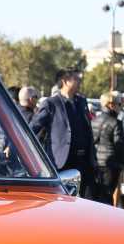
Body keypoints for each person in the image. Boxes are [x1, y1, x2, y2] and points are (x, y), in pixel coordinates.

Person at [30, 68, 98, 199]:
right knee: (61, 200)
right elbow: (33, 127)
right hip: (61, 162)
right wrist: (14, 144)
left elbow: (88, 130)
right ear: (65, 81)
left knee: (85, 201)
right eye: (76, 79)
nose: (80, 82)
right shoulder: (51, 103)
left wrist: (92, 157)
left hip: (83, 161)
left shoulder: (82, 102)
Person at [93, 92, 124, 206]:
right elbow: (120, 146)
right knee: (108, 197)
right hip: (111, 164)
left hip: (96, 163)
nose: (121, 107)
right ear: (111, 105)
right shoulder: (116, 122)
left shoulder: (94, 120)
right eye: (119, 104)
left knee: (98, 196)